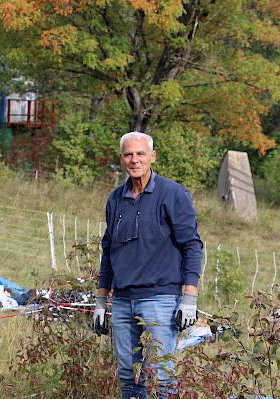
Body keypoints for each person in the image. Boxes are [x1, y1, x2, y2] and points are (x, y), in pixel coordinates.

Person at [92, 131, 204, 399]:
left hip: (161, 298)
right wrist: (100, 299)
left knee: (162, 376)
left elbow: (192, 244)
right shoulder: (115, 199)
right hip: (122, 300)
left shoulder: (172, 194)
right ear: (121, 159)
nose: (134, 160)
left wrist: (189, 296)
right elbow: (108, 250)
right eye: (129, 154)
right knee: (128, 376)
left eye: (140, 153)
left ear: (152, 156)